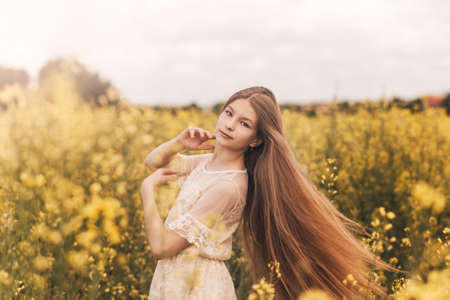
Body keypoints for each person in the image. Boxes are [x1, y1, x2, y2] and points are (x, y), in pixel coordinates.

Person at [141, 86, 408, 300]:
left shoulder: (228, 186)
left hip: (198, 287)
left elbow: (162, 247)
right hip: (175, 278)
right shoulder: (207, 164)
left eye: (245, 124)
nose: (230, 124)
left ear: (256, 140)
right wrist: (178, 143)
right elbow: (154, 163)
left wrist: (147, 191)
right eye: (229, 113)